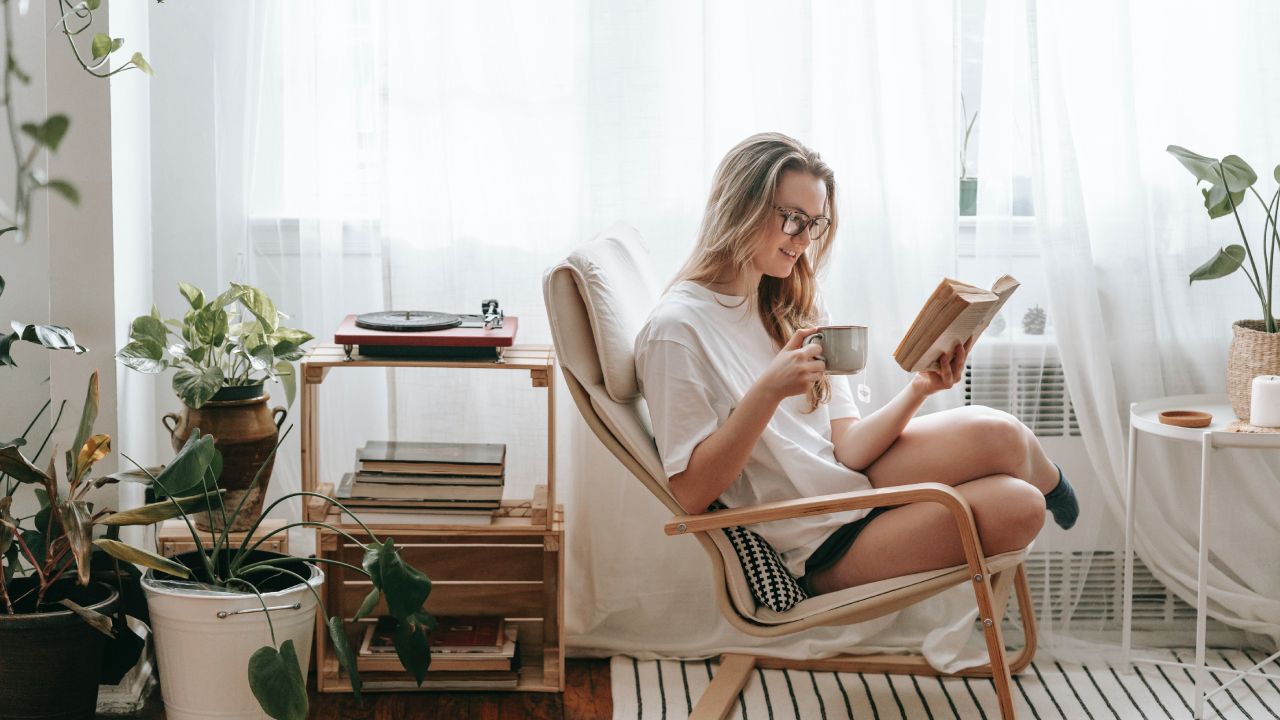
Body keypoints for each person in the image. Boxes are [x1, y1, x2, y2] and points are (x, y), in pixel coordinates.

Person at [633, 132, 1078, 597]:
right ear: (740, 207)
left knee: (1002, 434)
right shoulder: (676, 331)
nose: (805, 240)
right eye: (793, 219)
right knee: (1020, 507)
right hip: (818, 542)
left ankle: (1057, 487)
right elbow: (689, 494)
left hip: (851, 485)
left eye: (816, 224)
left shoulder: (787, 303)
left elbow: (846, 446)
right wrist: (767, 392)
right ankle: (1045, 491)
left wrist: (919, 389)